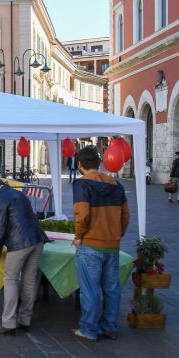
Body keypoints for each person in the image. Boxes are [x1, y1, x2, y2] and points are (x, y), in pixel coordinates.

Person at [72, 146, 130, 341]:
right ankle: (110, 326)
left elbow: (82, 214)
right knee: (112, 289)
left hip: (91, 243)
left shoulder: (81, 185)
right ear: (98, 163)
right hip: (112, 244)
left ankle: (89, 329)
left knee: (90, 289)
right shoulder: (117, 184)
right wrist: (117, 234)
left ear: (79, 165)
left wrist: (78, 236)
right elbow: (125, 215)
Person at [0, 176, 48, 335]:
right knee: (29, 280)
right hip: (37, 239)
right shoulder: (17, 194)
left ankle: (9, 323)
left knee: (10, 279)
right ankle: (25, 320)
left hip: (20, 243)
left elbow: (1, 229)